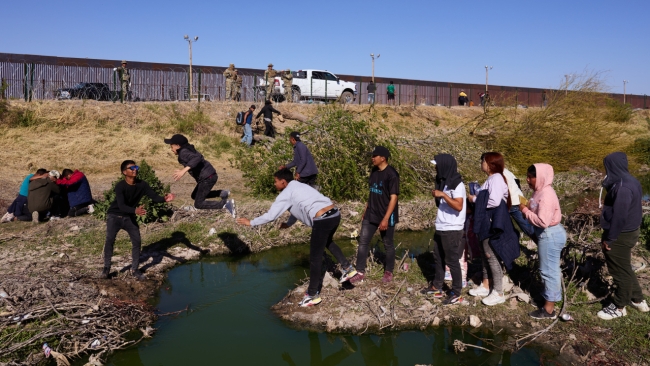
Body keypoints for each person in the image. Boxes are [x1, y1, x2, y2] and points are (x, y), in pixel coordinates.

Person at [236, 168, 357, 307]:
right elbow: (296, 209)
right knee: (328, 241)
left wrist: (251, 223)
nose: (274, 184)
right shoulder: (299, 186)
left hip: (322, 219)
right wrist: (288, 224)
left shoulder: (285, 194)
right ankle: (348, 268)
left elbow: (271, 216)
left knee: (315, 258)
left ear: (283, 182)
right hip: (335, 214)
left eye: (275, 181)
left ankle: (312, 295)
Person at [101, 160, 175, 280]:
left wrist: (164, 199)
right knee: (110, 240)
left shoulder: (142, 184)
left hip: (129, 217)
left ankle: (135, 269)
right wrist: (135, 211)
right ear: (124, 172)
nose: (135, 169)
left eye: (136, 167)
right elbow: (121, 206)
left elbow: (154, 197)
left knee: (137, 241)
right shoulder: (120, 186)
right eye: (131, 168)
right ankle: (106, 269)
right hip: (114, 216)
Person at [596, 152, 649, 319]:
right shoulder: (630, 180)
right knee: (625, 267)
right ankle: (638, 300)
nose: (606, 170)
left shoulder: (622, 187)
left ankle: (619, 307)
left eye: (607, 167)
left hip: (620, 235)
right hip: (630, 231)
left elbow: (619, 216)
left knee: (618, 271)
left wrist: (610, 239)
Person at [468, 152, 519, 307]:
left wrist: (475, 199)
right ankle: (486, 284)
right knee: (484, 254)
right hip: (486, 222)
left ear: (490, 163)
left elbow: (494, 201)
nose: (481, 163)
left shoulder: (496, 178)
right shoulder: (492, 179)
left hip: (491, 223)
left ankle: (498, 291)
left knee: (491, 255)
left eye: (483, 161)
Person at [347, 146, 399, 284]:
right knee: (363, 241)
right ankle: (360, 272)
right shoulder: (374, 171)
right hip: (371, 213)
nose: (372, 158)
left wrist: (386, 219)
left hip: (386, 216)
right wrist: (366, 211)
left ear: (383, 158)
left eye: (375, 156)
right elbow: (372, 193)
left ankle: (388, 271)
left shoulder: (392, 175)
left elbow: (394, 198)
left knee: (388, 244)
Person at [520, 163, 566, 319]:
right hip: (547, 234)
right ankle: (548, 298)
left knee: (549, 271)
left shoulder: (546, 195)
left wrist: (524, 211)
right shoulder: (539, 191)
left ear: (540, 178)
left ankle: (548, 309)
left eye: (530, 177)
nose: (527, 180)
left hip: (550, 234)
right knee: (548, 269)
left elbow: (542, 221)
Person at [421, 154, 466, 306]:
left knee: (452, 261)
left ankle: (456, 292)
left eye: (437, 165)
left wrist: (443, 195)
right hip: (442, 226)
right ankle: (437, 286)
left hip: (452, 228)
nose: (435, 168)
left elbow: (459, 206)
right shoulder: (444, 182)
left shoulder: (457, 184)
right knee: (438, 257)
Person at [164, 134, 235, 214]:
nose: (171, 149)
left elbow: (196, 158)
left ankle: (226, 204)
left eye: (171, 146)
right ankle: (222, 193)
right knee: (195, 195)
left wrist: (183, 170)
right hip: (209, 175)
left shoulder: (183, 153)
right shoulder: (188, 149)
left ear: (177, 146)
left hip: (207, 178)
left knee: (198, 204)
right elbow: (198, 158)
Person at [503, 167, 534, 238]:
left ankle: (542, 244)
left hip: (513, 202)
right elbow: (517, 181)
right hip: (520, 198)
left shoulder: (497, 173)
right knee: (529, 224)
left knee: (528, 227)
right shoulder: (506, 170)